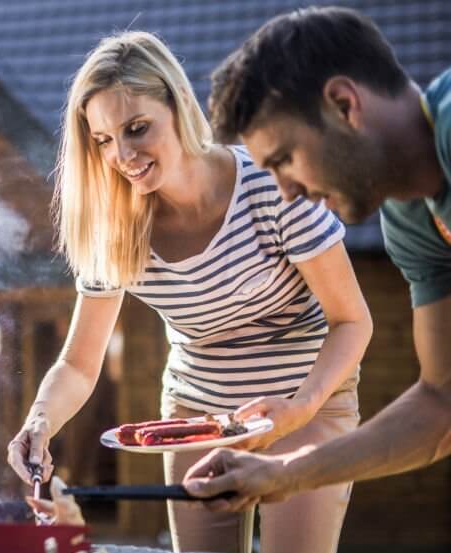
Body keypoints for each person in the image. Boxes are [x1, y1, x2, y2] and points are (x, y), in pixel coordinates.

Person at [5, 32, 373, 553]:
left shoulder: (266, 186)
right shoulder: (119, 226)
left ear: (178, 105)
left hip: (309, 405)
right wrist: (39, 421)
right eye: (102, 141)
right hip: (200, 417)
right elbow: (81, 365)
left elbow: (354, 320)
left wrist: (300, 407)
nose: (123, 155)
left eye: (138, 128)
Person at [184, 6, 451, 510]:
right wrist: (281, 474)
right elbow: (441, 404)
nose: (285, 193)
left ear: (344, 105)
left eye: (284, 159)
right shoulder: (413, 220)